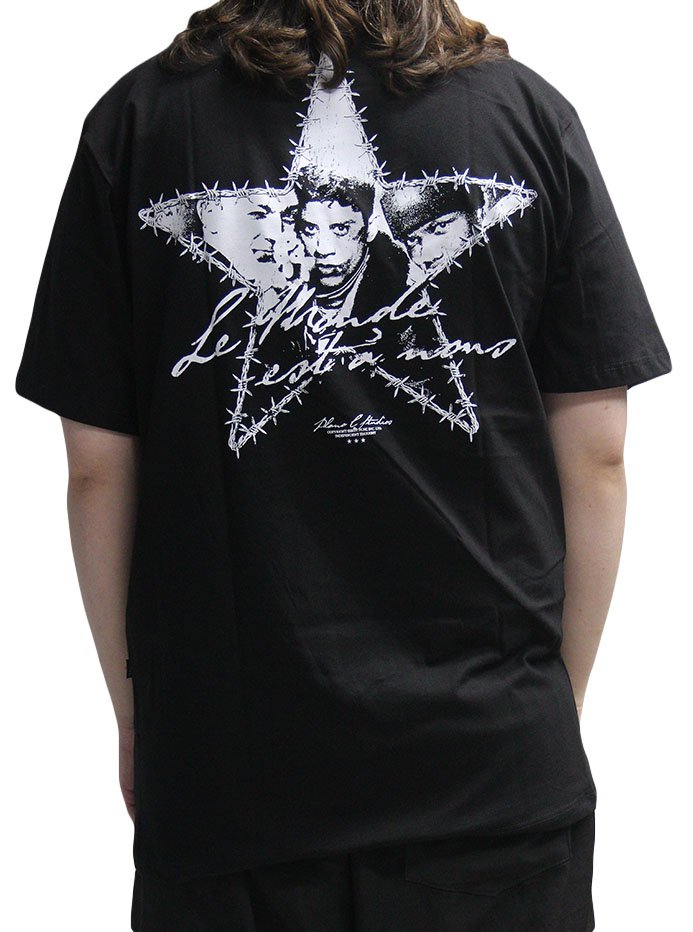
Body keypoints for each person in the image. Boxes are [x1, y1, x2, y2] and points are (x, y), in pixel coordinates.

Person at [14, 1, 673, 929]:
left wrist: (138, 714)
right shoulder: (525, 116)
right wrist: (546, 709)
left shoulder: (141, 120)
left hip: (226, 768)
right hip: (489, 771)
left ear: (369, 234)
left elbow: (94, 467)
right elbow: (597, 452)